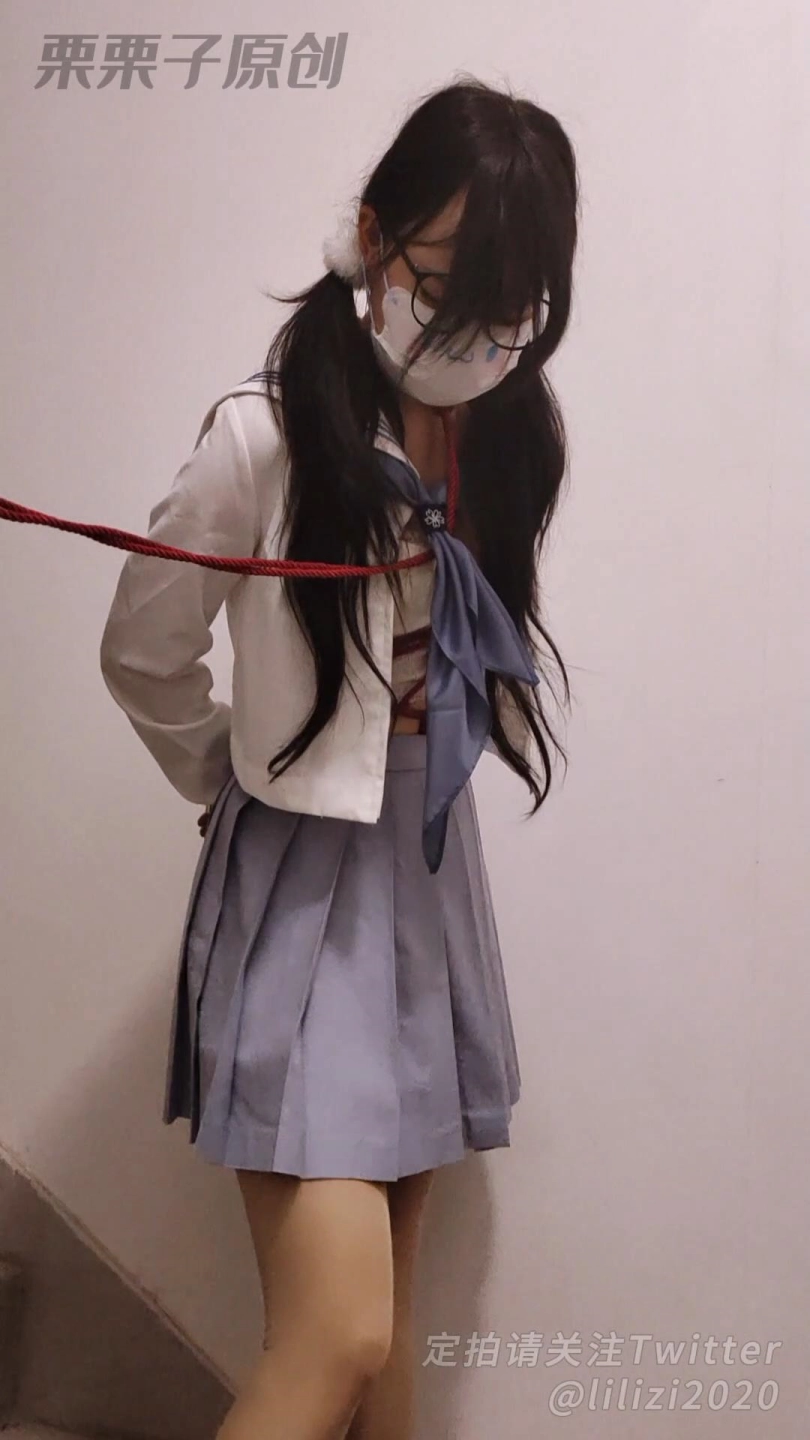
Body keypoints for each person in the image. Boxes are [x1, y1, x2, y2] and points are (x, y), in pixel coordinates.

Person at [99, 74, 578, 1440]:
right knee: (338, 1334)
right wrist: (235, 785)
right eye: (450, 280)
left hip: (427, 871)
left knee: (388, 1342)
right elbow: (142, 650)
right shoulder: (261, 436)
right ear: (372, 236)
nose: (479, 328)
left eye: (513, 303)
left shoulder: (508, 432)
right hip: (302, 884)